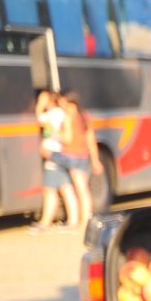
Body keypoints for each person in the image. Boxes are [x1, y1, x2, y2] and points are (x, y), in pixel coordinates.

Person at [32, 90, 79, 230]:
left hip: (53, 155)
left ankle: (46, 222)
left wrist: (39, 105)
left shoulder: (55, 113)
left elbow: (39, 119)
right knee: (62, 187)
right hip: (57, 154)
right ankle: (71, 220)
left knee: (52, 189)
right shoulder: (59, 113)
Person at [57, 90, 99, 219]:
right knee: (84, 189)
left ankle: (85, 219)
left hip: (72, 155)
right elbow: (91, 138)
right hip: (84, 156)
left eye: (61, 99)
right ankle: (87, 216)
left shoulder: (68, 116)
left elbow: (67, 139)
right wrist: (95, 160)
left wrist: (55, 133)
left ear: (68, 101)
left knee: (80, 189)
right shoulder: (84, 115)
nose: (59, 102)